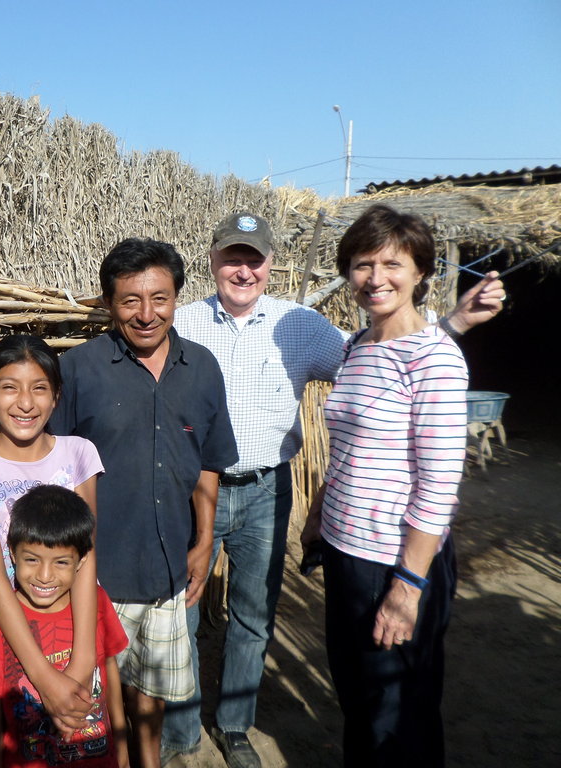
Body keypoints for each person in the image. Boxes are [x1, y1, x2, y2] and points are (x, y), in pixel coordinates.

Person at [166, 211, 504, 768]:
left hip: (287, 501)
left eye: (255, 259)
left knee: (257, 618)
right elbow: (378, 363)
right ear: (212, 260)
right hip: (204, 496)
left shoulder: (301, 325)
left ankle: (235, 726)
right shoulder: (183, 325)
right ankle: (180, 730)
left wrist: (409, 584)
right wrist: (323, 507)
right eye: (232, 257)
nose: (244, 270)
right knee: (183, 611)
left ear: (271, 265)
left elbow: (436, 471)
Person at [49, 237, 239, 768]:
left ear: (177, 297)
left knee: (151, 692)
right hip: (98, 570)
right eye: (130, 300)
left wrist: (204, 541)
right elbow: (51, 463)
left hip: (168, 566)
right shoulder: (79, 369)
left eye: (160, 298)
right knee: (100, 697)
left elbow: (208, 463)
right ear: (110, 304)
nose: (147, 313)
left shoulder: (202, 368)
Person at [300, 205, 467, 766]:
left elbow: (438, 485)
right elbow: (347, 449)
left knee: (397, 716)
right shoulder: (356, 346)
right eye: (362, 264)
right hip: (347, 553)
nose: (376, 278)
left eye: (392, 264)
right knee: (358, 697)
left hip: (395, 561)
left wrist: (408, 587)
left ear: (420, 271)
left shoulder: (435, 358)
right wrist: (320, 512)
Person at [0, 335, 105, 736]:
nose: (25, 403)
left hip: (77, 627)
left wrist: (82, 662)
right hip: (8, 635)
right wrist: (43, 677)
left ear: (56, 395)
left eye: (39, 388)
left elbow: (86, 556)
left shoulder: (79, 454)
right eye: (9, 387)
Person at [0, 485, 129, 768]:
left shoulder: (97, 603)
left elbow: (109, 668)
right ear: (12, 554)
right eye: (32, 559)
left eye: (61, 562)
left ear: (82, 560)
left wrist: (122, 750)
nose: (45, 576)